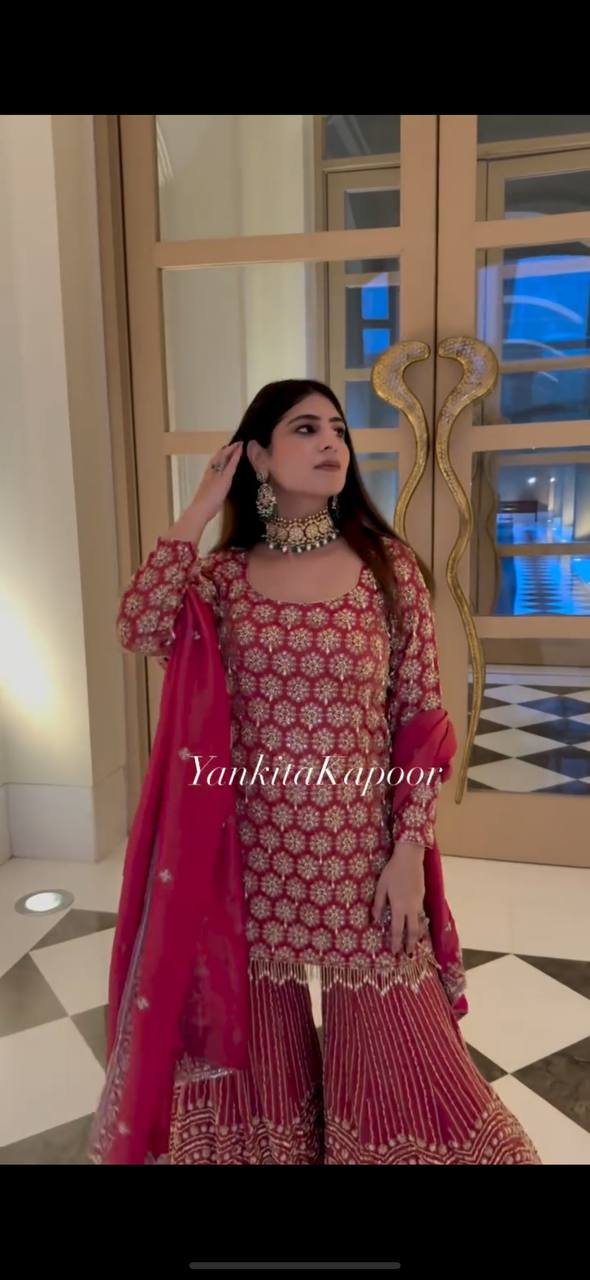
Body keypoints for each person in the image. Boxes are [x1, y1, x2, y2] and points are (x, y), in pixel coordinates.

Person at [95, 379, 541, 1165]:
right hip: (245, 859)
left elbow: (421, 722)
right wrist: (199, 507)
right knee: (256, 1057)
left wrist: (409, 850)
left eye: (337, 427)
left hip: (359, 855)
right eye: (305, 428)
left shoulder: (387, 569)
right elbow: (139, 624)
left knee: (403, 1046)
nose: (332, 441)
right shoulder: (222, 581)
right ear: (259, 456)